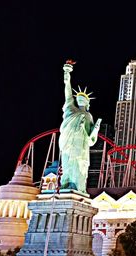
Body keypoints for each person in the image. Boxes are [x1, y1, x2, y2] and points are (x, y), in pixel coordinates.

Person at [58, 61, 101, 193]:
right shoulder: (71, 109)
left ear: (88, 103)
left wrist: (96, 129)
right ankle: (66, 185)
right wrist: (67, 76)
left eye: (84, 99)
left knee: (80, 167)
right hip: (69, 143)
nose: (82, 99)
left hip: (81, 146)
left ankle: (79, 188)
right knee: (67, 165)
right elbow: (68, 93)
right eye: (79, 98)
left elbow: (91, 139)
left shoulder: (89, 116)